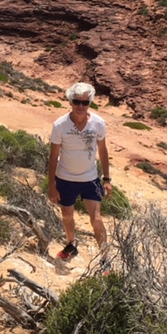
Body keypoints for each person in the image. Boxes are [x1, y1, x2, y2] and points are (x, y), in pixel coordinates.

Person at [48, 82, 112, 270]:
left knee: (97, 219)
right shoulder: (60, 125)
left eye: (85, 103)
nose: (80, 106)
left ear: (90, 103)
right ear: (70, 101)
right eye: (76, 102)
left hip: (90, 178)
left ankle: (105, 258)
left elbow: (103, 150)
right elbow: (53, 156)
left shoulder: (98, 123)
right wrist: (51, 185)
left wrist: (107, 179)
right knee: (67, 215)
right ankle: (72, 243)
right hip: (65, 178)